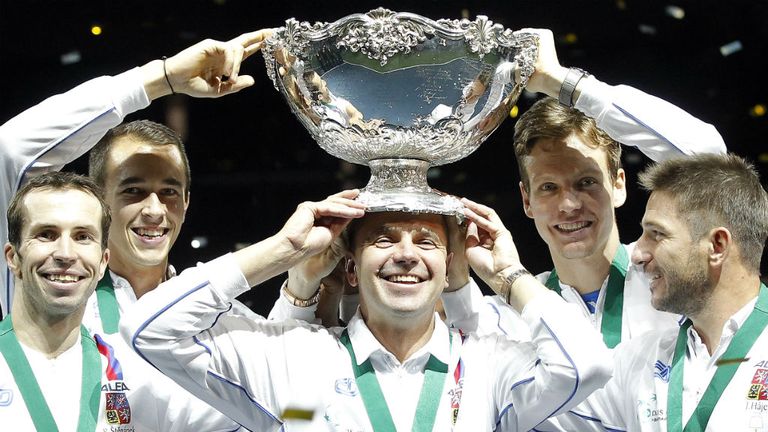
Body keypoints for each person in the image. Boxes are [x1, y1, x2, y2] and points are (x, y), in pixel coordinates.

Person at [121, 189, 613, 431]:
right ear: (352, 269)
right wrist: (281, 250)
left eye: (426, 242)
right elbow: (148, 329)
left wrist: (509, 276)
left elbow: (586, 365)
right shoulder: (294, 357)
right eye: (384, 239)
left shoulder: (489, 365)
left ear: (448, 267)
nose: (405, 254)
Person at [438, 28, 727, 345]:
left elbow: (709, 158)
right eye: (548, 187)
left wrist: (562, 83)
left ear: (618, 186)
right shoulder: (511, 317)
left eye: (586, 182)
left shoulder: (674, 278)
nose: (569, 204)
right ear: (527, 200)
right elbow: (461, 352)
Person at [0, 29, 269, 319]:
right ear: (99, 200)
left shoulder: (219, 317)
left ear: (186, 201)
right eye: (133, 191)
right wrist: (160, 79)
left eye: (169, 192)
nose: (155, 210)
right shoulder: (45, 291)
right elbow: (12, 150)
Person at [0, 172, 242, 430]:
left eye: (83, 237)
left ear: (103, 261)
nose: (66, 254)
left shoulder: (135, 370)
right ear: (13, 257)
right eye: (46, 234)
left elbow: (263, 413)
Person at [554, 153, 768, 430]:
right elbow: (527, 399)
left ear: (716, 245)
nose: (638, 254)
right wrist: (508, 277)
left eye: (657, 234)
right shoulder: (640, 360)